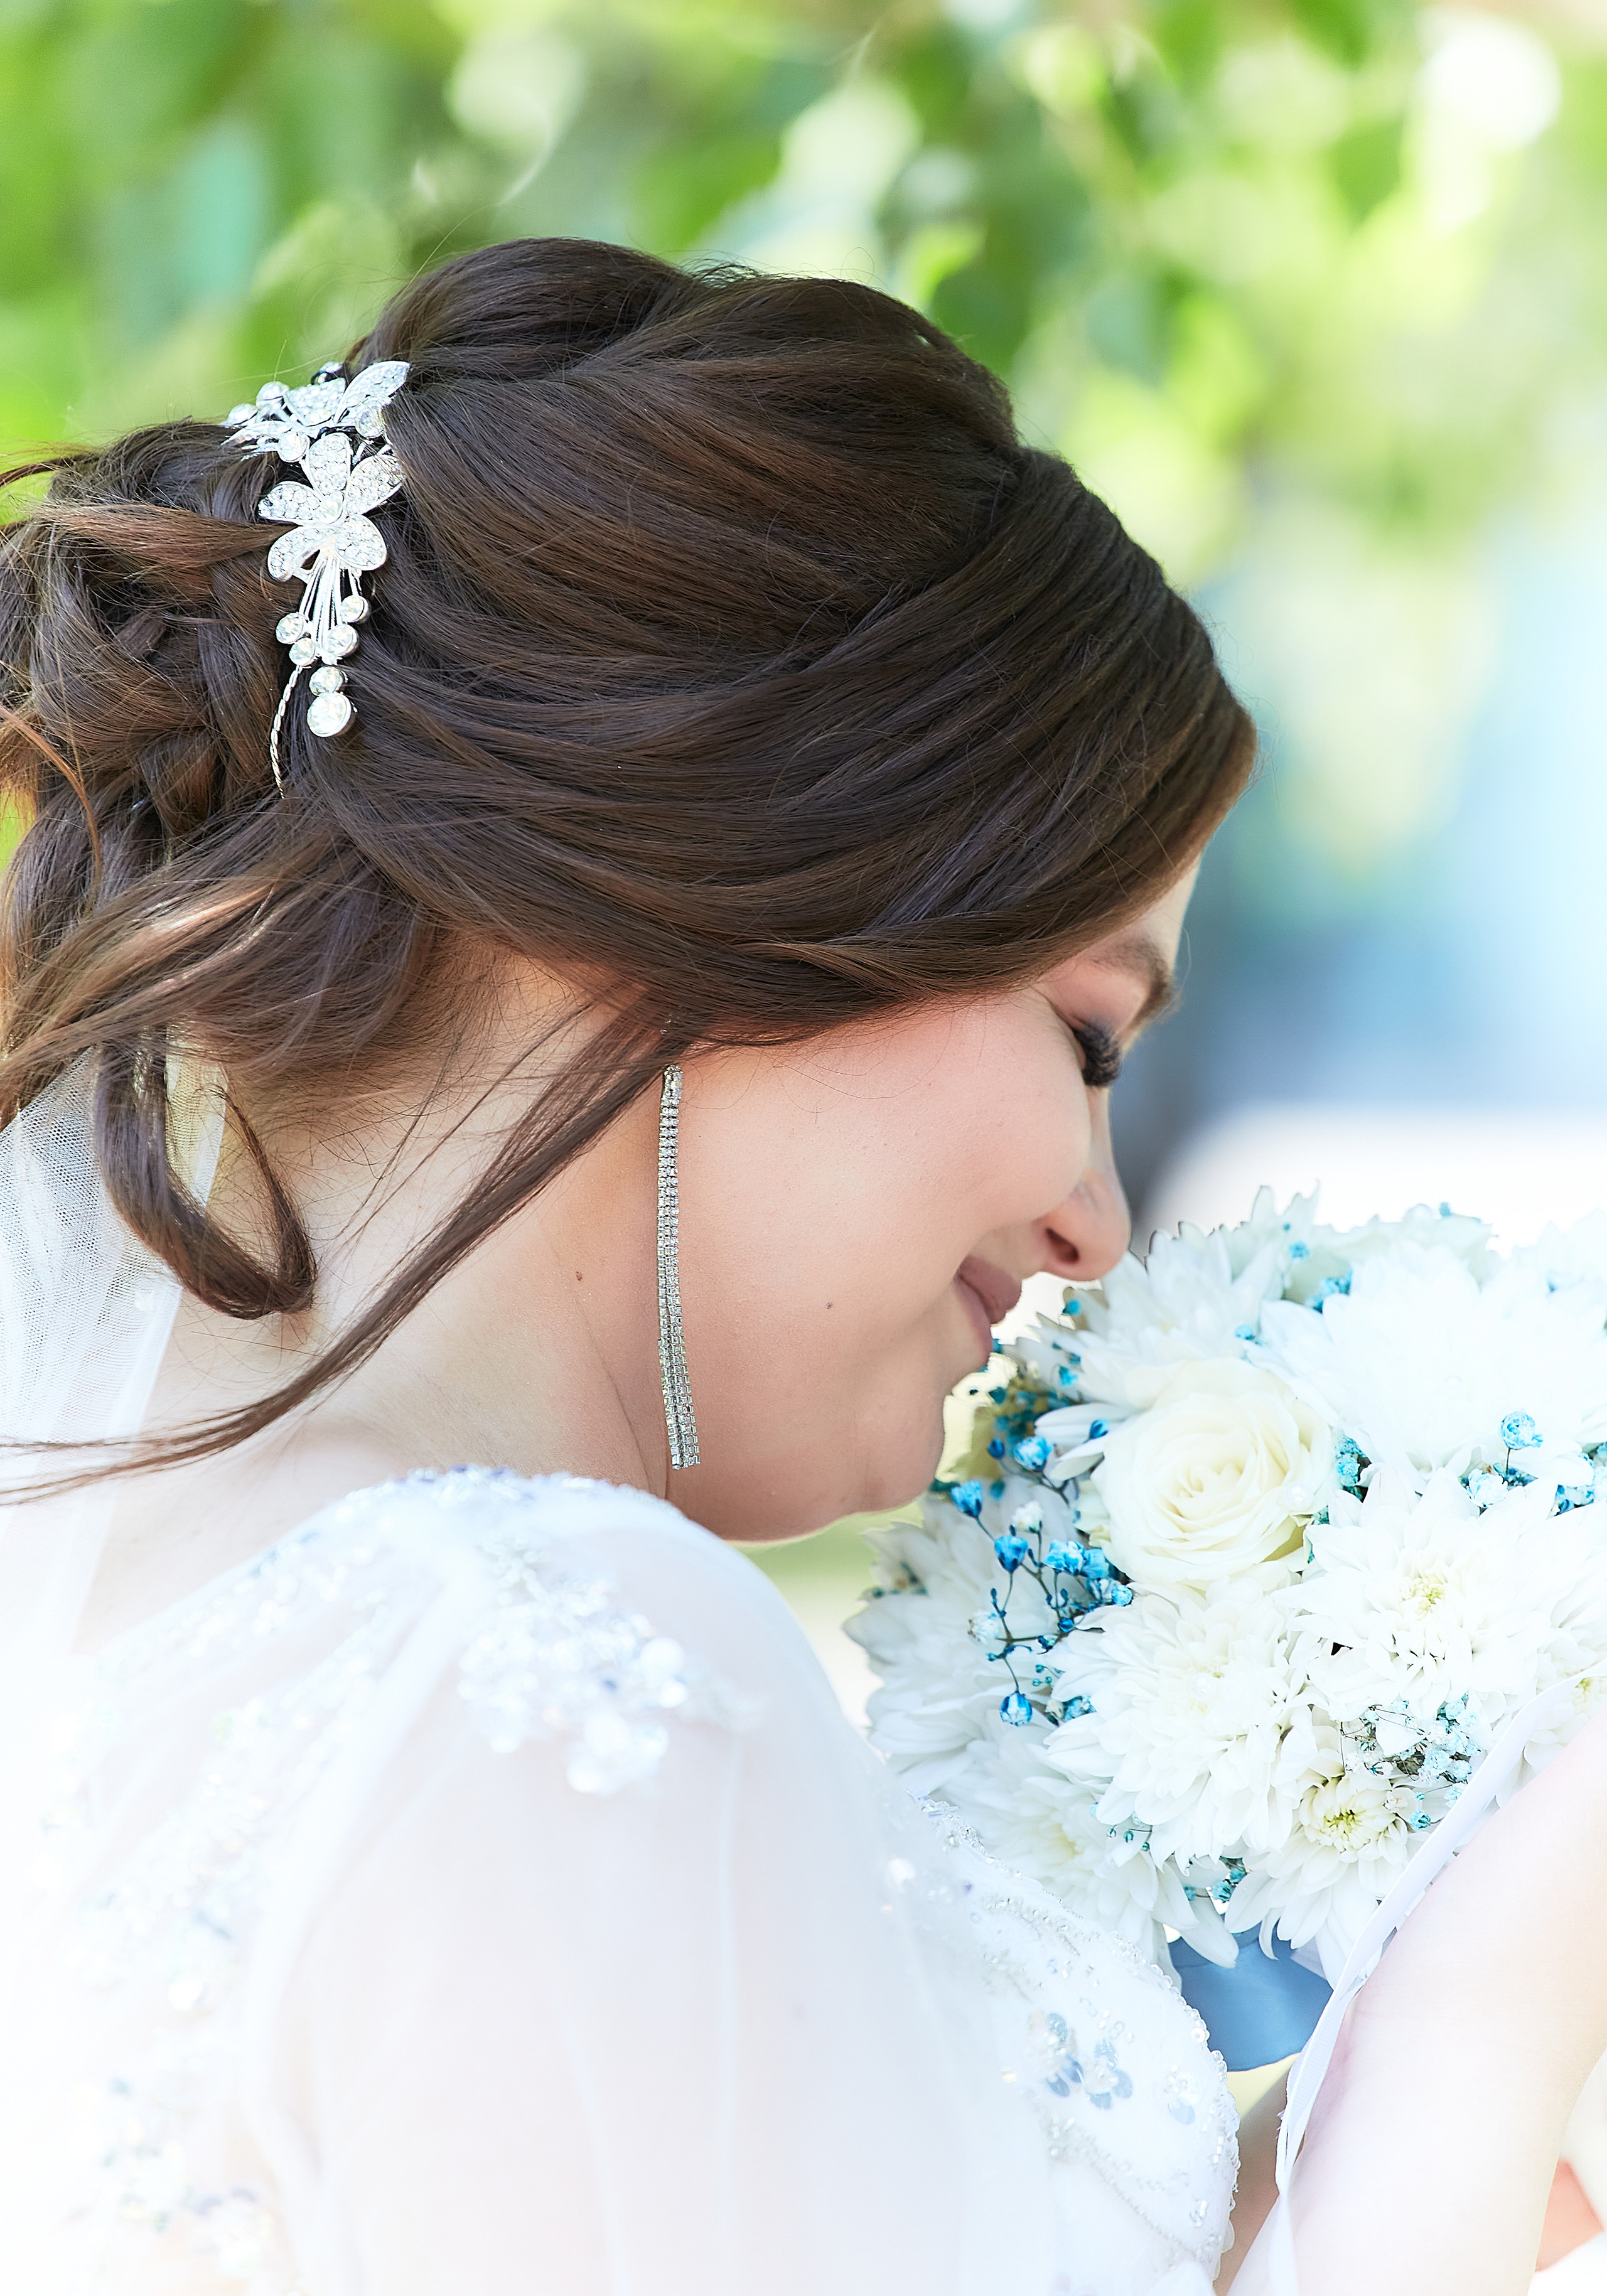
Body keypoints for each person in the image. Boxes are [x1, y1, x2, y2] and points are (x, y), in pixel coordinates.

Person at [0, 236, 1603, 2296]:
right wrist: (1484, 2037)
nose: (1094, 1223)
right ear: (718, 910)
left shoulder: (165, 1626)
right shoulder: (552, 1662)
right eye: (1088, 1035)